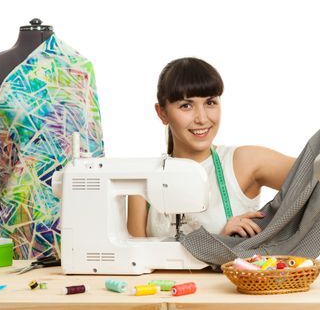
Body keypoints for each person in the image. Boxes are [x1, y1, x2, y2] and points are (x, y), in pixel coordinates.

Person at [127, 57, 296, 238]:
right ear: (162, 113)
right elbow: (134, 263)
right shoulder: (144, 182)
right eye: (186, 105)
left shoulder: (245, 162)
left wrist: (270, 230)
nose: (202, 118)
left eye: (210, 103)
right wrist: (218, 242)